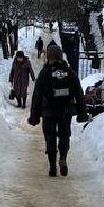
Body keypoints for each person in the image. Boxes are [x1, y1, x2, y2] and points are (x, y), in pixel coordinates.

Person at [28, 44, 88, 177]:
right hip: (65, 110)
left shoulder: (45, 73)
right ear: (61, 56)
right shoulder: (69, 72)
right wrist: (82, 113)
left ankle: (52, 167)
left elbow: (37, 95)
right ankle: (63, 159)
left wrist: (34, 116)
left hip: (49, 111)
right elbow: (78, 92)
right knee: (65, 135)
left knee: (50, 137)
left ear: (48, 56)